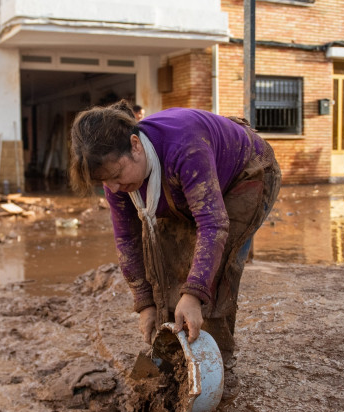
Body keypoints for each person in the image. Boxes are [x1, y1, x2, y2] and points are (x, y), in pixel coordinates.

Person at [69, 100, 281, 384]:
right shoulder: (116, 177)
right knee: (167, 269)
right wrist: (144, 303)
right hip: (179, 180)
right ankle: (173, 359)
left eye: (118, 176)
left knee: (211, 277)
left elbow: (213, 224)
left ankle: (212, 371)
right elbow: (127, 240)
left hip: (244, 172)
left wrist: (193, 295)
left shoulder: (185, 147)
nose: (115, 189)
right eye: (105, 183)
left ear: (135, 145)